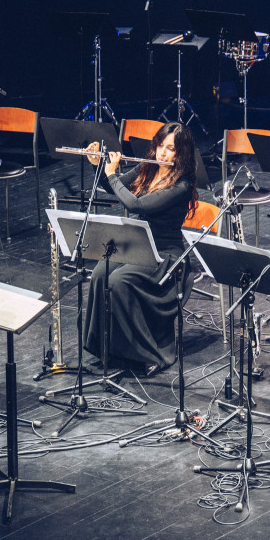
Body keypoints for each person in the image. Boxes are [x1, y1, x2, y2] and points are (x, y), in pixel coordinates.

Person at [81, 121, 198, 376]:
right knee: (100, 273)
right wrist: (98, 166)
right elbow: (111, 187)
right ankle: (107, 349)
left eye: (170, 149)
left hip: (164, 254)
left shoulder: (182, 185)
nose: (162, 153)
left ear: (181, 153)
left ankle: (143, 354)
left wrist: (112, 173)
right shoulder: (148, 167)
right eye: (160, 145)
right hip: (138, 242)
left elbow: (136, 204)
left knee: (119, 281)